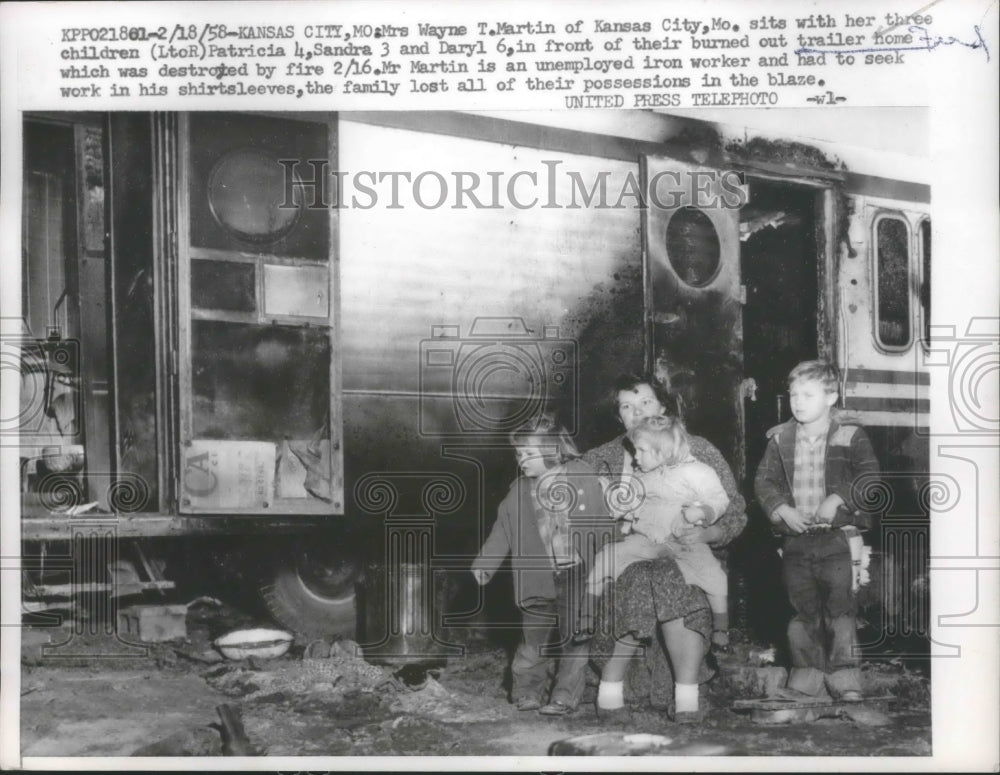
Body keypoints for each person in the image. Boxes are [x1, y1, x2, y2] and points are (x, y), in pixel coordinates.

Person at [582, 373, 747, 723]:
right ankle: (609, 690)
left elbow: (733, 511)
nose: (637, 412)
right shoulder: (603, 458)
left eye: (645, 402)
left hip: (685, 548)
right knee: (639, 575)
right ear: (619, 416)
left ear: (663, 407)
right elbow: (578, 510)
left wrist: (705, 533)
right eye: (627, 406)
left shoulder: (696, 449)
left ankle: (685, 692)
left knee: (670, 576)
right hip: (634, 549)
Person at [754, 360, 880, 701]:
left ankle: (845, 677)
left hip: (838, 537)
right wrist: (781, 509)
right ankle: (806, 675)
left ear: (831, 397)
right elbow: (764, 481)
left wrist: (838, 497)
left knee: (840, 609)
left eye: (807, 394)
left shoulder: (850, 434)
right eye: (793, 394)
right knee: (802, 610)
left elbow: (869, 478)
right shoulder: (780, 439)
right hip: (797, 540)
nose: (797, 401)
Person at [472, 413, 612, 717]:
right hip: (537, 576)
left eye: (529, 453)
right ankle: (526, 691)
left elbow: (602, 523)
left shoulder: (582, 476)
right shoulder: (519, 490)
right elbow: (503, 530)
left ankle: (564, 696)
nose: (521, 459)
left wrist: (607, 563)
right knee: (532, 639)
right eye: (518, 453)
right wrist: (486, 562)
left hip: (578, 573)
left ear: (554, 450)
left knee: (576, 639)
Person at [581, 415, 731, 650]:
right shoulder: (641, 475)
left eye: (641, 451)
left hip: (684, 540)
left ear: (664, 451)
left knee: (713, 573)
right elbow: (629, 506)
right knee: (608, 556)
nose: (636, 457)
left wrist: (702, 511)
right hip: (646, 539)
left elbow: (720, 499)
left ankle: (721, 627)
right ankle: (586, 615)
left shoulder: (698, 472)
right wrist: (611, 496)